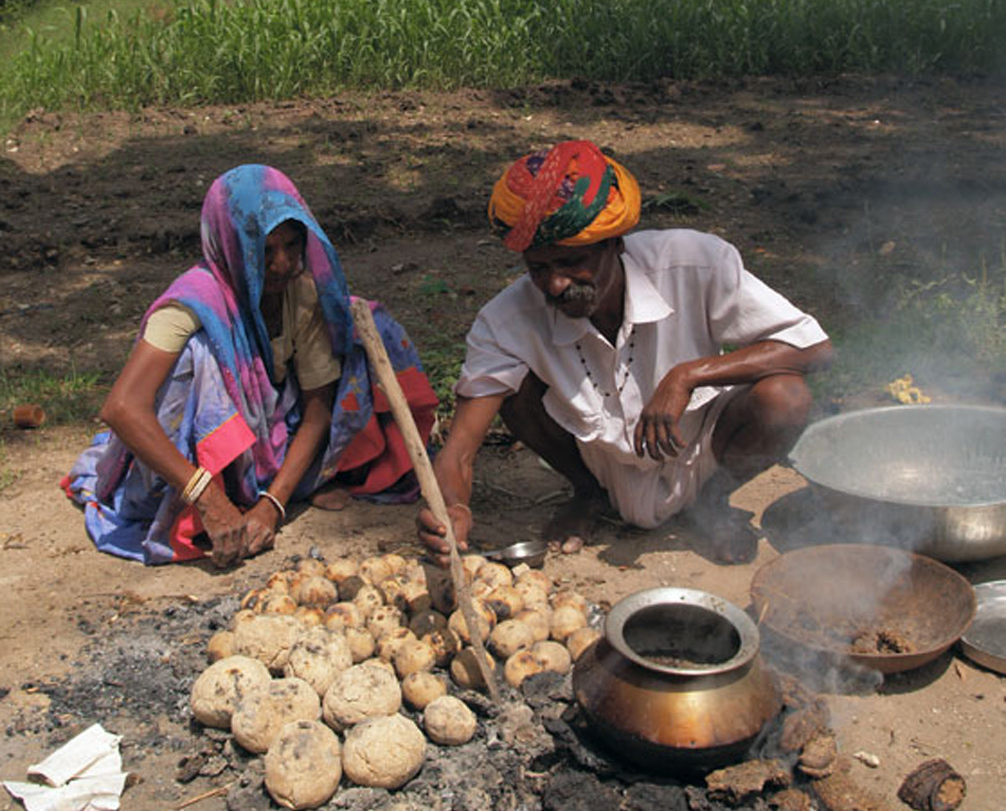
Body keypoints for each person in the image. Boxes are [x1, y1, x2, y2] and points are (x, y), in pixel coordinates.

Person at [418, 139, 832, 565]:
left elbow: (815, 348)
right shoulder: (505, 320)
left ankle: (712, 503)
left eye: (571, 262)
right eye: (539, 268)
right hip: (599, 462)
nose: (556, 284)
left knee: (785, 396)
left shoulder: (693, 262)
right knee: (510, 389)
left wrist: (687, 375)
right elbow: (460, 450)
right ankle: (588, 495)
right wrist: (453, 507)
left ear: (616, 243)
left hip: (699, 446)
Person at [64, 164, 437, 567]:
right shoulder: (191, 304)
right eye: (264, 251)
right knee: (199, 355)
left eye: (293, 246)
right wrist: (207, 498)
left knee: (362, 328)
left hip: (267, 431)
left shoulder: (301, 291)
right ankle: (205, 494)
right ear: (232, 246)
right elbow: (122, 408)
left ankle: (270, 483)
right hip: (199, 454)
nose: (283, 264)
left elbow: (318, 407)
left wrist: (272, 506)